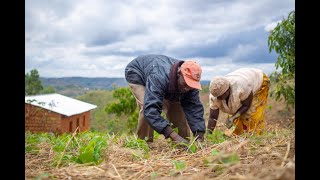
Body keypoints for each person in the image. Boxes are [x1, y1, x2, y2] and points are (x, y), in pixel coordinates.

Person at [125, 54, 206, 144]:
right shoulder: (159, 77)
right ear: (179, 73)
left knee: (177, 110)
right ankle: (145, 143)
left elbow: (194, 108)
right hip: (137, 72)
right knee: (146, 107)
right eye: (186, 83)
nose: (187, 88)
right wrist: (172, 135)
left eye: (191, 85)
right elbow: (151, 110)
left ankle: (182, 145)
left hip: (165, 79)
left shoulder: (191, 83)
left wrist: (199, 136)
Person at [207, 68, 270, 136]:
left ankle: (254, 136)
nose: (219, 98)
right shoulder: (215, 94)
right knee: (237, 118)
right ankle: (238, 134)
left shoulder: (241, 87)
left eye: (221, 96)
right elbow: (212, 117)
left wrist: (233, 117)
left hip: (259, 81)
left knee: (252, 114)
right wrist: (208, 135)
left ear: (228, 90)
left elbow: (246, 105)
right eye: (217, 96)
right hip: (245, 83)